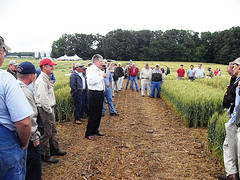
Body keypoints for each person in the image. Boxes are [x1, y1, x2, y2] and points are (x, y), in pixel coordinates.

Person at [0, 36, 33, 179]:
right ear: (1, 51)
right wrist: (23, 144)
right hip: (5, 142)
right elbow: (24, 123)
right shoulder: (6, 79)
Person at [35, 58, 66, 163]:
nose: (53, 67)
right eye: (50, 65)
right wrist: (49, 111)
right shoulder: (42, 81)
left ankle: (54, 149)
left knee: (52, 130)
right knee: (47, 132)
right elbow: (43, 99)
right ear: (44, 67)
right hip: (45, 110)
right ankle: (45, 155)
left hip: (48, 108)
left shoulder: (46, 78)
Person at [17, 61, 42, 180]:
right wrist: (35, 138)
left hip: (15, 135)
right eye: (34, 74)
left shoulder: (12, 87)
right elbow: (30, 117)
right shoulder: (26, 92)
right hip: (28, 137)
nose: (35, 76)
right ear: (29, 76)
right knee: (33, 167)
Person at [217, 58, 240, 180]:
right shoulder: (235, 81)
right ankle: (232, 174)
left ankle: (232, 175)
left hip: (236, 121)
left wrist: (233, 120)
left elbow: (237, 104)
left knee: (230, 147)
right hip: (234, 119)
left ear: (239, 67)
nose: (232, 68)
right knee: (228, 146)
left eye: (234, 66)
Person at [85, 54, 107, 140]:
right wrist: (102, 77)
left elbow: (103, 75)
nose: (102, 63)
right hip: (94, 93)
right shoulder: (91, 70)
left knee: (98, 113)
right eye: (101, 61)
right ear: (96, 61)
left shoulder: (97, 70)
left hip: (99, 93)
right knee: (93, 113)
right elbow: (90, 82)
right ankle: (88, 133)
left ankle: (95, 130)